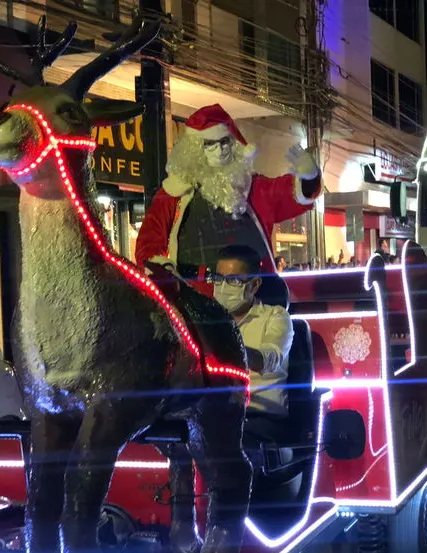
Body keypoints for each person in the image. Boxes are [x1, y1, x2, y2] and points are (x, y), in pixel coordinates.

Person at [135, 104, 322, 295]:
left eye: (224, 142)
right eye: (210, 144)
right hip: (195, 299)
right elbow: (149, 242)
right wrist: (163, 273)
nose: (219, 150)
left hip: (254, 297)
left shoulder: (252, 188)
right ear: (194, 149)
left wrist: (308, 179)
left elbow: (287, 194)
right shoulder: (174, 193)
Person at [211, 245, 294, 418]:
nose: (223, 287)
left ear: (254, 285)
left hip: (260, 416)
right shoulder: (208, 319)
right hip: (215, 414)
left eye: (233, 280)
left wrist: (230, 350)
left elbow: (269, 359)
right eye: (218, 278)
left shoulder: (276, 317)